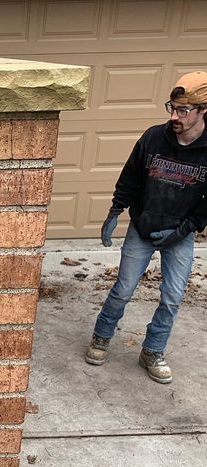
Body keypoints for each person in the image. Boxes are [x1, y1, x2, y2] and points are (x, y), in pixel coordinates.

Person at [86, 71, 207, 383]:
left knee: (172, 296)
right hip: (143, 227)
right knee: (123, 288)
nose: (175, 116)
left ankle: (152, 350)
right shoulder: (154, 137)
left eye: (183, 110)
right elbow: (131, 176)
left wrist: (181, 232)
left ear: (203, 110)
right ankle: (101, 337)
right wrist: (116, 208)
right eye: (172, 107)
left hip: (179, 233)